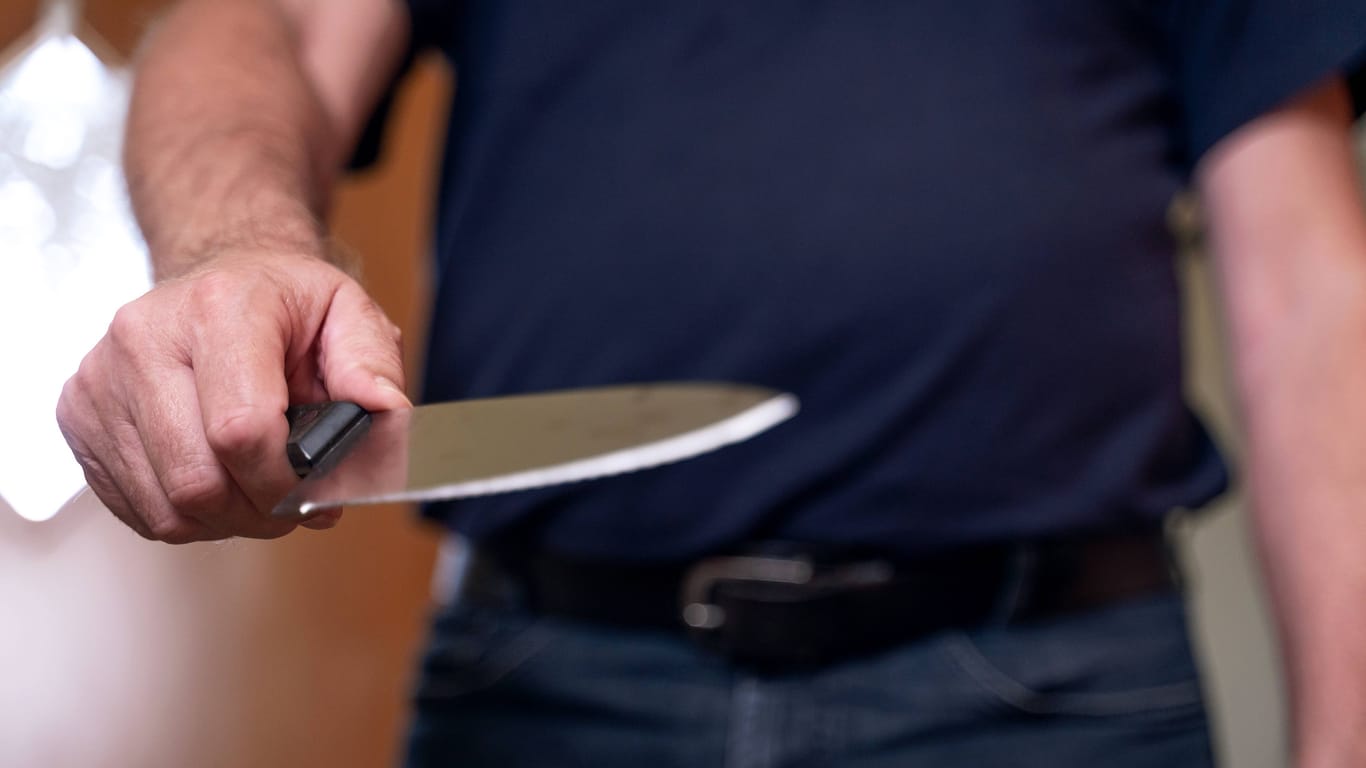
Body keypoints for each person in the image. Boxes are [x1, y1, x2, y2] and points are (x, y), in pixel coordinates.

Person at [54, 0, 1366, 765]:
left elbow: (1318, 305)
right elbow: (266, 22)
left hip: (1055, 701)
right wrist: (234, 249)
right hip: (548, 690)